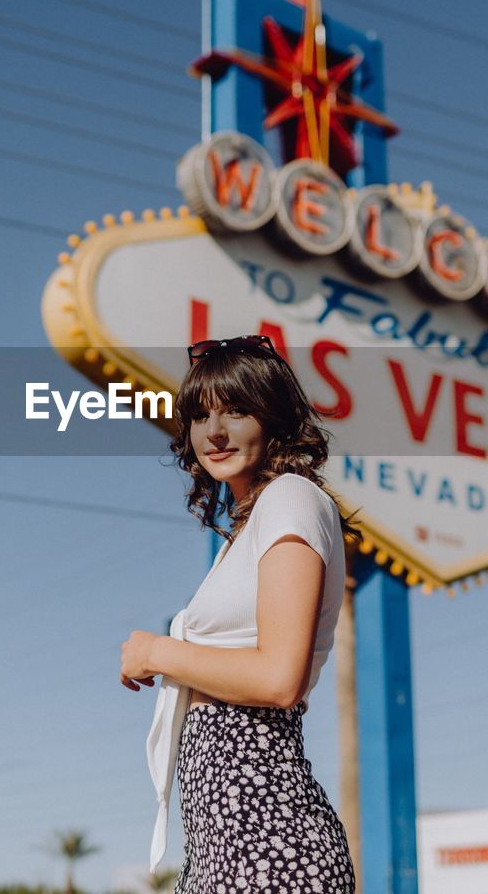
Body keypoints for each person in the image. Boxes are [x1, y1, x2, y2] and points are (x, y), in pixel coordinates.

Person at [120, 334, 361, 892]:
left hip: (270, 841)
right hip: (223, 845)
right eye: (201, 416)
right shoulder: (254, 524)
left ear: (273, 417)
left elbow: (279, 679)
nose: (215, 432)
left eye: (236, 410)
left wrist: (158, 650)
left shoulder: (291, 499)